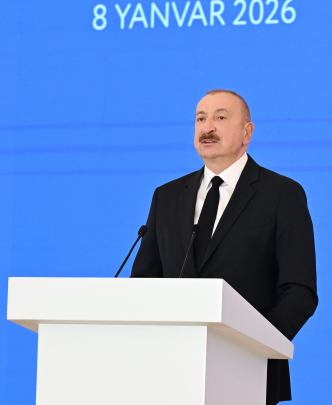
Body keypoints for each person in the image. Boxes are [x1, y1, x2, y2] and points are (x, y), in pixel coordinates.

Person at [131, 89, 318, 404]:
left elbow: (300, 291)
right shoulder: (167, 196)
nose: (207, 127)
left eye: (220, 117)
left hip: (249, 370)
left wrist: (253, 344)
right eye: (200, 119)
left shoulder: (282, 194)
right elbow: (143, 283)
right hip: (170, 371)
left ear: (247, 132)